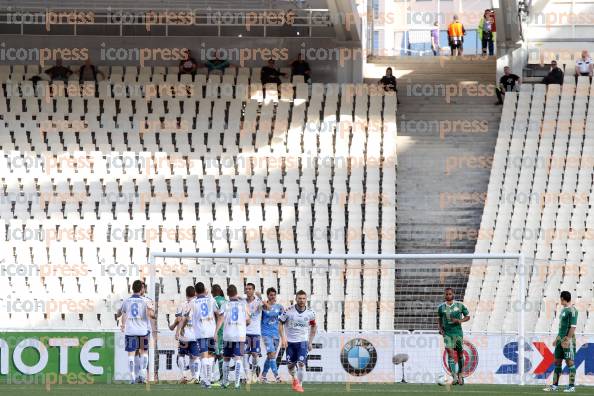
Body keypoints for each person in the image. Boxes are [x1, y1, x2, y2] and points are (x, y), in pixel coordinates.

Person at [279, 290, 317, 393]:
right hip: (290, 342)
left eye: (303, 298)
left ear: (306, 299)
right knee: (290, 365)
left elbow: (314, 326)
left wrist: (310, 342)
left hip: (302, 342)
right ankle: (295, 379)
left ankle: (300, 385)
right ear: (296, 299)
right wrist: (283, 338)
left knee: (301, 363)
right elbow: (280, 324)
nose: (301, 300)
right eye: (299, 298)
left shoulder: (311, 313)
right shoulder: (288, 311)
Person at [216, 284, 251, 389]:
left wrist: (216, 332)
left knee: (226, 358)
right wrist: (243, 325)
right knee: (238, 359)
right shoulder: (243, 304)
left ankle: (225, 382)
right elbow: (249, 320)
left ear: (227, 294)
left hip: (228, 335)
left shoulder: (225, 304)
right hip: (240, 336)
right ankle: (237, 383)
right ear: (236, 293)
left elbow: (220, 319)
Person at [120, 280, 154, 384]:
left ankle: (132, 378)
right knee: (144, 352)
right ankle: (143, 376)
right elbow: (151, 315)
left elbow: (123, 314)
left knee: (131, 354)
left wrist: (123, 325)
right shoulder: (146, 300)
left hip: (130, 331)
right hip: (143, 331)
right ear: (141, 289)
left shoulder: (126, 301)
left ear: (132, 289)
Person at [543, 291, 578, 393]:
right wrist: (557, 339)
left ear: (563, 298)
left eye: (560, 298)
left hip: (568, 341)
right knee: (557, 362)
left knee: (570, 362)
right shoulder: (563, 310)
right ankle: (554, 386)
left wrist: (567, 339)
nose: (560, 300)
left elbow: (573, 327)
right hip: (560, 340)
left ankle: (571, 386)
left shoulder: (572, 310)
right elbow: (562, 328)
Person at [189, 282, 220, 388]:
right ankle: (208, 378)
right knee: (211, 355)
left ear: (195, 291)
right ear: (204, 289)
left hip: (201, 332)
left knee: (204, 356)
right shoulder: (211, 299)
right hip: (211, 331)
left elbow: (187, 316)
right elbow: (219, 314)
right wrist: (216, 330)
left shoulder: (193, 302)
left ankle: (206, 381)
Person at [437, 288, 470, 386]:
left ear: (453, 294)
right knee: (450, 352)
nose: (448, 296)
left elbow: (468, 316)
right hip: (447, 334)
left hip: (458, 333)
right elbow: (439, 320)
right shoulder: (441, 307)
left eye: (450, 294)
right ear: (445, 295)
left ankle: (460, 374)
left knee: (460, 354)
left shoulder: (460, 305)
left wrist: (460, 321)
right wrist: (441, 330)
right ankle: (454, 376)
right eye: (446, 294)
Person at [170, 286, 198, 384]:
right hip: (195, 335)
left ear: (186, 294)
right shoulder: (197, 303)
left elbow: (178, 319)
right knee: (194, 357)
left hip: (184, 335)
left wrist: (174, 327)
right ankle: (195, 377)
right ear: (195, 293)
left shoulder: (182, 305)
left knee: (181, 355)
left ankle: (184, 376)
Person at [259, 287, 284, 383]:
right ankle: (277, 376)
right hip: (266, 333)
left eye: (274, 295)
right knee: (272, 354)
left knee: (270, 356)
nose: (272, 296)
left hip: (276, 334)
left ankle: (263, 376)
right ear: (268, 296)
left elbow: (283, 320)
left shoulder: (279, 307)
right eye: (270, 295)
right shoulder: (263, 306)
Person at [244, 283, 264, 384]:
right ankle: (248, 376)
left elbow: (264, 307)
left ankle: (253, 372)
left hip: (255, 332)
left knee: (255, 354)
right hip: (244, 332)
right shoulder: (243, 302)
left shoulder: (258, 302)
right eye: (246, 289)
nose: (247, 290)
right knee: (245, 355)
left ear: (253, 290)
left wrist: (260, 297)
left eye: (250, 289)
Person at [211, 284, 227, 387]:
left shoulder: (213, 301)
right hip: (226, 330)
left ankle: (221, 378)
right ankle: (214, 377)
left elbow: (217, 315)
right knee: (218, 354)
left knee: (217, 354)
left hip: (217, 330)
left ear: (212, 292)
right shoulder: (225, 300)